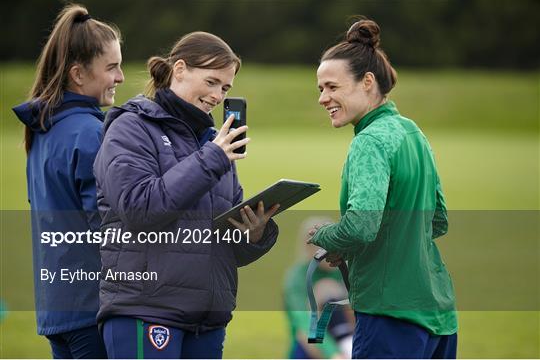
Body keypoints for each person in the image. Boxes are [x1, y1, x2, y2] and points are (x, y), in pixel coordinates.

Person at [93, 31, 280, 358]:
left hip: (207, 321)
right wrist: (213, 158)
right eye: (211, 82)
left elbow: (225, 241)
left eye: (225, 88)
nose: (218, 95)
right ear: (179, 69)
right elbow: (141, 208)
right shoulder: (131, 126)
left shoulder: (215, 145)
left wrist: (254, 233)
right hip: (146, 310)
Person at [308, 18, 458, 359]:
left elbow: (361, 226)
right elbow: (438, 221)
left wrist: (326, 236)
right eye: (320, 89)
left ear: (367, 82)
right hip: (439, 313)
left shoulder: (370, 141)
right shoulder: (412, 132)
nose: (323, 98)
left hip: (390, 313)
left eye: (332, 87)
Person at [12, 4, 124, 358]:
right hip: (92, 308)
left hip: (56, 308)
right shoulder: (91, 132)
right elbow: (107, 228)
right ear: (78, 74)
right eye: (112, 67)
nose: (120, 77)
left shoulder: (44, 131)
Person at [284, 217, 354, 359]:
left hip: (347, 339)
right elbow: (303, 323)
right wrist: (333, 354)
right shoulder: (297, 278)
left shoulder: (347, 271)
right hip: (310, 347)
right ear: (308, 247)